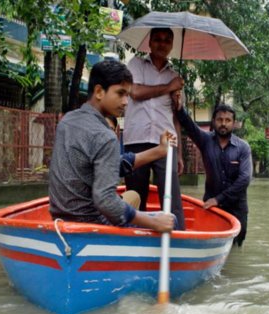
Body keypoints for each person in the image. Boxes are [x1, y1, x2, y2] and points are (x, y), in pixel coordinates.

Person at [48, 60, 174, 232]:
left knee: (133, 196)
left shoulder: (67, 121)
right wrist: (154, 222)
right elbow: (106, 201)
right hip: (92, 224)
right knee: (165, 219)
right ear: (99, 91)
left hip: (59, 219)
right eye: (121, 93)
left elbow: (112, 163)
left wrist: (159, 151)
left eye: (128, 95)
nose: (126, 102)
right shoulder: (105, 136)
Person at [124, 27, 186, 230]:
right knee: (136, 197)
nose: (162, 43)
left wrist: (180, 155)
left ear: (171, 45)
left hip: (167, 142)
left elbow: (176, 117)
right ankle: (134, 243)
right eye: (157, 39)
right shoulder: (136, 64)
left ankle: (178, 241)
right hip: (136, 140)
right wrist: (168, 87)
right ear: (149, 43)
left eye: (167, 40)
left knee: (172, 200)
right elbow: (136, 92)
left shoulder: (176, 77)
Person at [172, 97, 252, 246]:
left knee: (235, 249)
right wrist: (179, 107)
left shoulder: (243, 148)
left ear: (234, 124)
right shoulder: (205, 140)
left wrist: (218, 199)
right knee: (210, 244)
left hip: (236, 208)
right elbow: (188, 125)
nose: (223, 123)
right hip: (211, 207)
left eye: (228, 120)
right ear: (213, 121)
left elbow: (244, 179)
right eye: (220, 119)